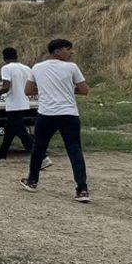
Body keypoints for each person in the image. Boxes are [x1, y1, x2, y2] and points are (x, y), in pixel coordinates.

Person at [20, 39, 90, 202]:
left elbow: (28, 90)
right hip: (69, 115)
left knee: (38, 148)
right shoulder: (72, 67)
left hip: (46, 115)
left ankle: (32, 181)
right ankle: (82, 190)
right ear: (57, 51)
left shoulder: (37, 67)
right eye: (68, 49)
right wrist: (67, 90)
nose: (71, 52)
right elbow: (84, 90)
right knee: (74, 150)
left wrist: (45, 89)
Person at [0, 47, 51, 168]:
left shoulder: (6, 68)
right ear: (16, 55)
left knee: (22, 133)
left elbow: (6, 87)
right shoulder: (26, 68)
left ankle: (42, 157)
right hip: (23, 102)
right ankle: (1, 156)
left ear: (4, 57)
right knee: (9, 131)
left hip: (13, 104)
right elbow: (31, 85)